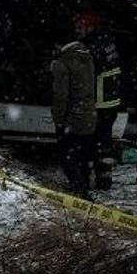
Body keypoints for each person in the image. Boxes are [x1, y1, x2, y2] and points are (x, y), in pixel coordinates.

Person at [75, 12, 122, 191]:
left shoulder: (91, 46)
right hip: (112, 101)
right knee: (105, 141)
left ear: (90, 26)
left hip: (99, 102)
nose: (77, 30)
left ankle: (86, 179)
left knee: (90, 141)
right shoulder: (107, 41)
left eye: (80, 27)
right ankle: (104, 178)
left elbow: (89, 71)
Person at [51, 29, 97, 199]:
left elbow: (60, 95)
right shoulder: (87, 56)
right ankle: (84, 184)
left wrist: (59, 119)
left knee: (67, 156)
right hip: (89, 115)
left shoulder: (63, 62)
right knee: (84, 155)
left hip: (72, 118)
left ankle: (80, 190)